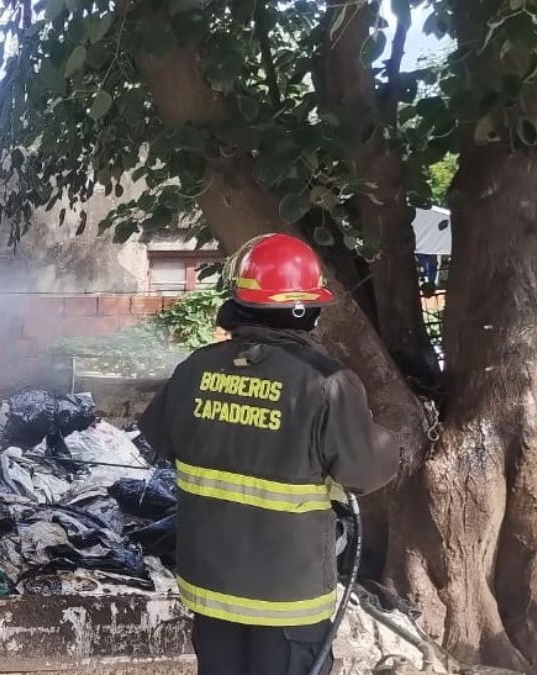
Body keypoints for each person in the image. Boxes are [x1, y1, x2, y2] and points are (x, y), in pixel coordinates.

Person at [138, 233, 399, 675]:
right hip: (287, 599)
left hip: (211, 588)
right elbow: (365, 472)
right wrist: (390, 433)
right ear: (306, 310)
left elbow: (161, 440)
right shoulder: (327, 381)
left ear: (240, 303)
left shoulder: (195, 369)